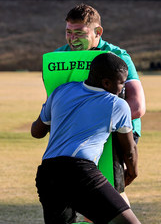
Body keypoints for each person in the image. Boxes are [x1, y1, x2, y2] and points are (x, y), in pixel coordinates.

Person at [31, 53, 141, 224]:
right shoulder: (117, 104)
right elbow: (129, 150)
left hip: (47, 174)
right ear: (106, 83)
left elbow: (36, 132)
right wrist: (133, 173)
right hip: (79, 173)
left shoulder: (62, 90)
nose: (123, 87)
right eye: (122, 82)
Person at [55, 3, 146, 194]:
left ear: (98, 32)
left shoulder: (116, 57)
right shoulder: (58, 58)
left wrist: (93, 119)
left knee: (108, 194)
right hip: (76, 134)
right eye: (68, 32)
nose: (73, 39)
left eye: (80, 33)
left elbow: (137, 107)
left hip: (117, 132)